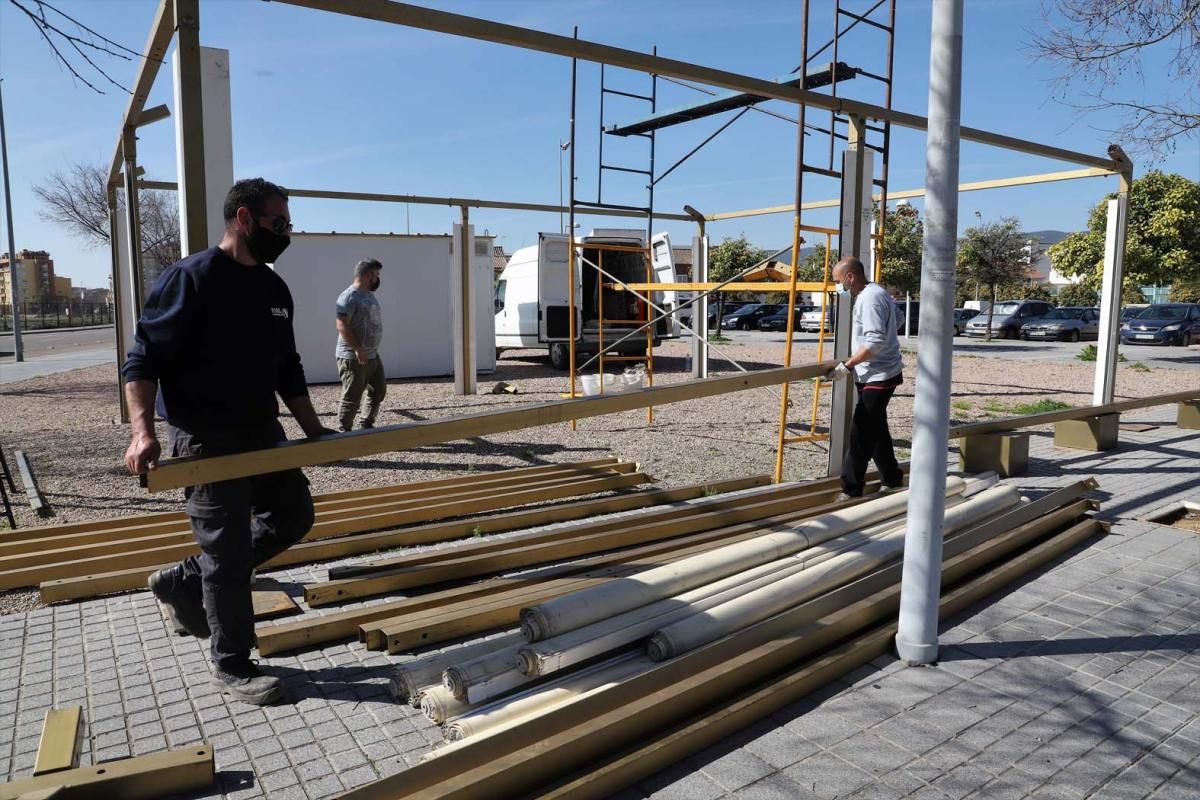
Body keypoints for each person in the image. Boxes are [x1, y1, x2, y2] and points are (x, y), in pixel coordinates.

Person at [122, 177, 333, 706]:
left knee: (294, 515)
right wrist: (142, 432)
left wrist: (316, 434)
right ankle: (232, 663)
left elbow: (288, 368)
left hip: (263, 430)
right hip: (206, 439)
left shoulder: (272, 288)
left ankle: (185, 580)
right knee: (229, 551)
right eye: (278, 223)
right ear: (244, 218)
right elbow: (143, 360)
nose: (286, 233)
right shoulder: (191, 280)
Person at [828, 256, 905, 499]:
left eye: (838, 282)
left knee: (860, 430)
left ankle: (851, 489)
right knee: (877, 429)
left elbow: (874, 341)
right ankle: (892, 479)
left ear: (850, 277)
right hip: (879, 373)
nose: (837, 287)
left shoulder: (869, 299)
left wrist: (847, 365)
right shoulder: (876, 293)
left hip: (878, 376)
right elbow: (899, 318)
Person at [335, 258, 386, 431]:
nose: (378, 278)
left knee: (378, 391)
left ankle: (366, 424)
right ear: (368, 275)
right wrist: (357, 349)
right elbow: (341, 324)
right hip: (354, 356)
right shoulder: (349, 296)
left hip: (372, 354)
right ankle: (343, 433)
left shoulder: (369, 295)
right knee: (352, 396)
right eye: (377, 274)